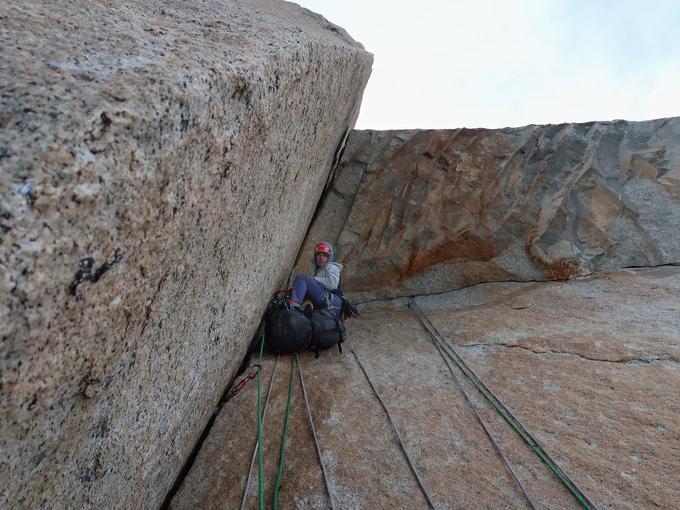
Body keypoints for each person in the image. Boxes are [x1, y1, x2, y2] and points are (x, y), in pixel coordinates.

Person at [290, 242, 343, 318]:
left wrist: (314, 279)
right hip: (329, 305)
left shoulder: (331, 266)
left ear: (329, 258)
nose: (321, 258)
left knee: (301, 278)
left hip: (332, 301)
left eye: (324, 255)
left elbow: (333, 284)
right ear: (315, 257)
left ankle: (293, 308)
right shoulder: (319, 271)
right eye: (319, 255)